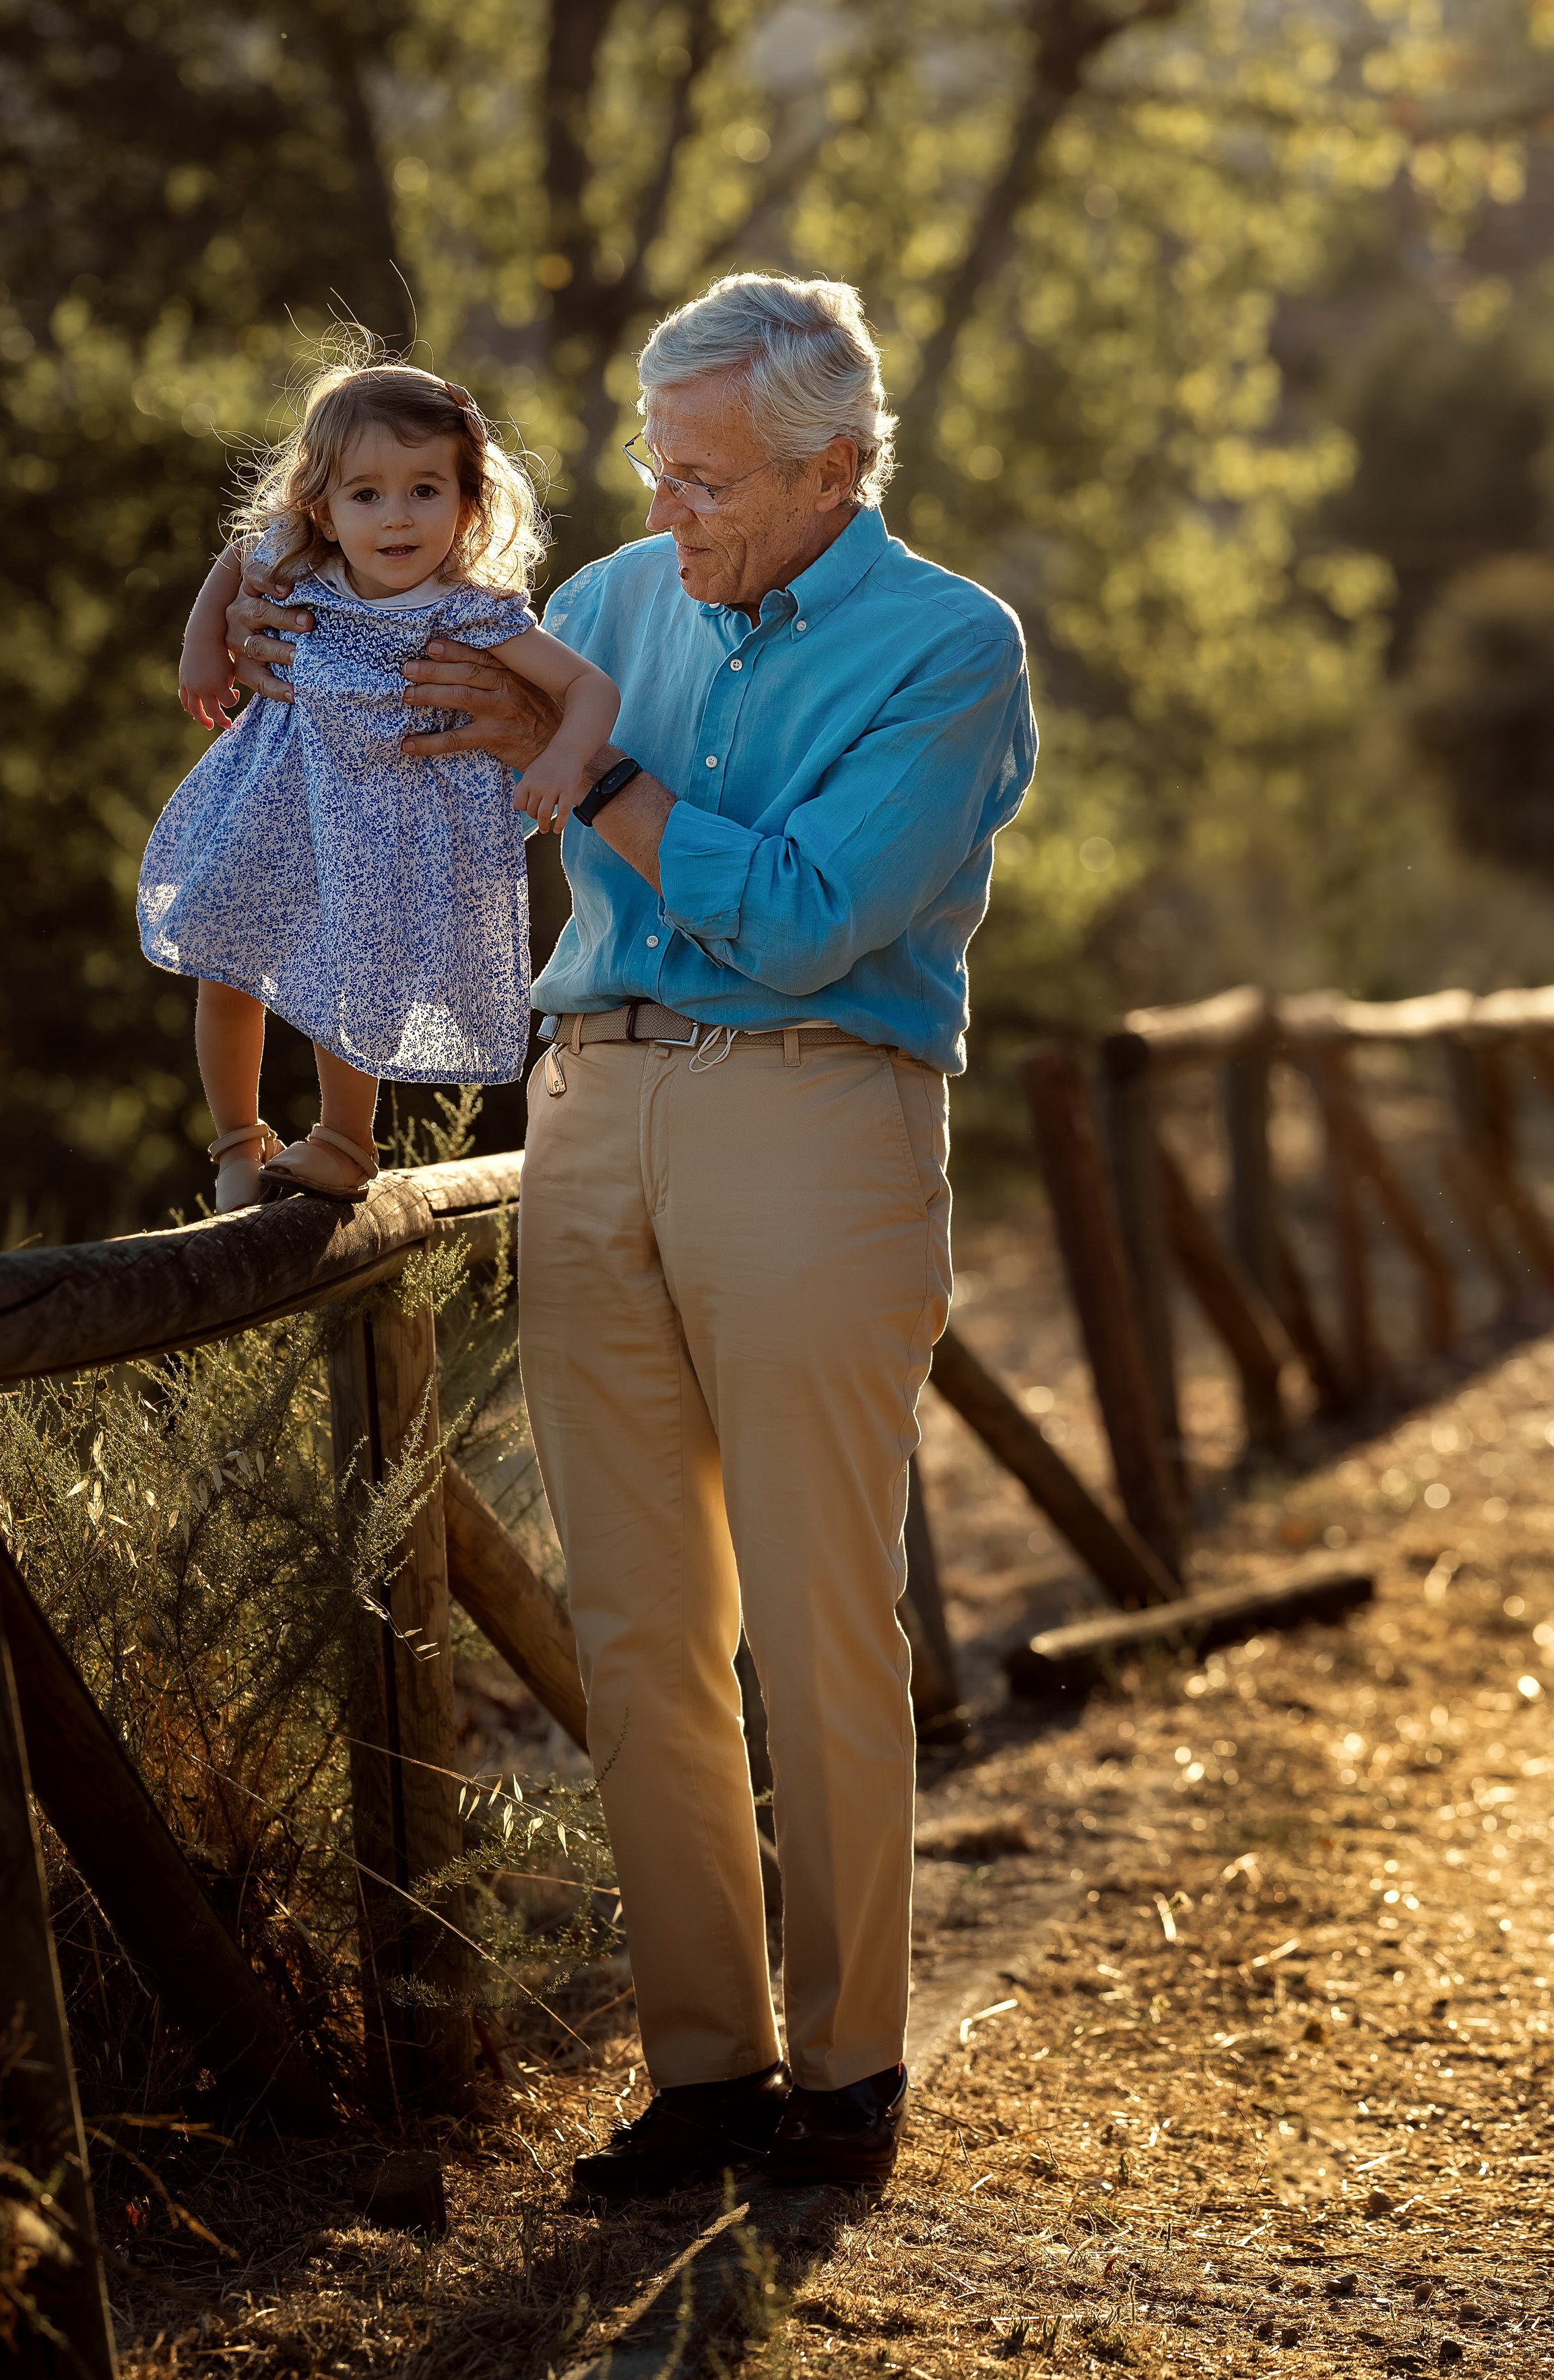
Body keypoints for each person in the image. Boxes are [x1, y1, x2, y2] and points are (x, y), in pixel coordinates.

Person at [220, 274, 1036, 2191]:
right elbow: (418, 737)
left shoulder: (948, 644)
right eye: (659, 471)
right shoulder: (609, 607)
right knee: (640, 1619)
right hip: (587, 1107)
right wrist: (273, 634)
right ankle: (706, 2071)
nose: (669, 514)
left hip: (817, 1106)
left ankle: (848, 2071)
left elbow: (817, 909)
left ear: (838, 467)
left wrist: (589, 770)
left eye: (713, 481)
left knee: (826, 1616)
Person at [138, 356, 618, 1210]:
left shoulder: (466, 607)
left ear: (467, 500)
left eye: (424, 490)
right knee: (226, 967)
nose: (396, 518)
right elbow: (236, 557)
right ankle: (237, 1148)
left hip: (387, 826)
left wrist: (559, 760)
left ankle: (344, 1142)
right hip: (275, 804)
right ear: (321, 506)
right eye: (366, 495)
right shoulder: (297, 563)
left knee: (355, 973)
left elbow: (589, 689)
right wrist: (200, 646)